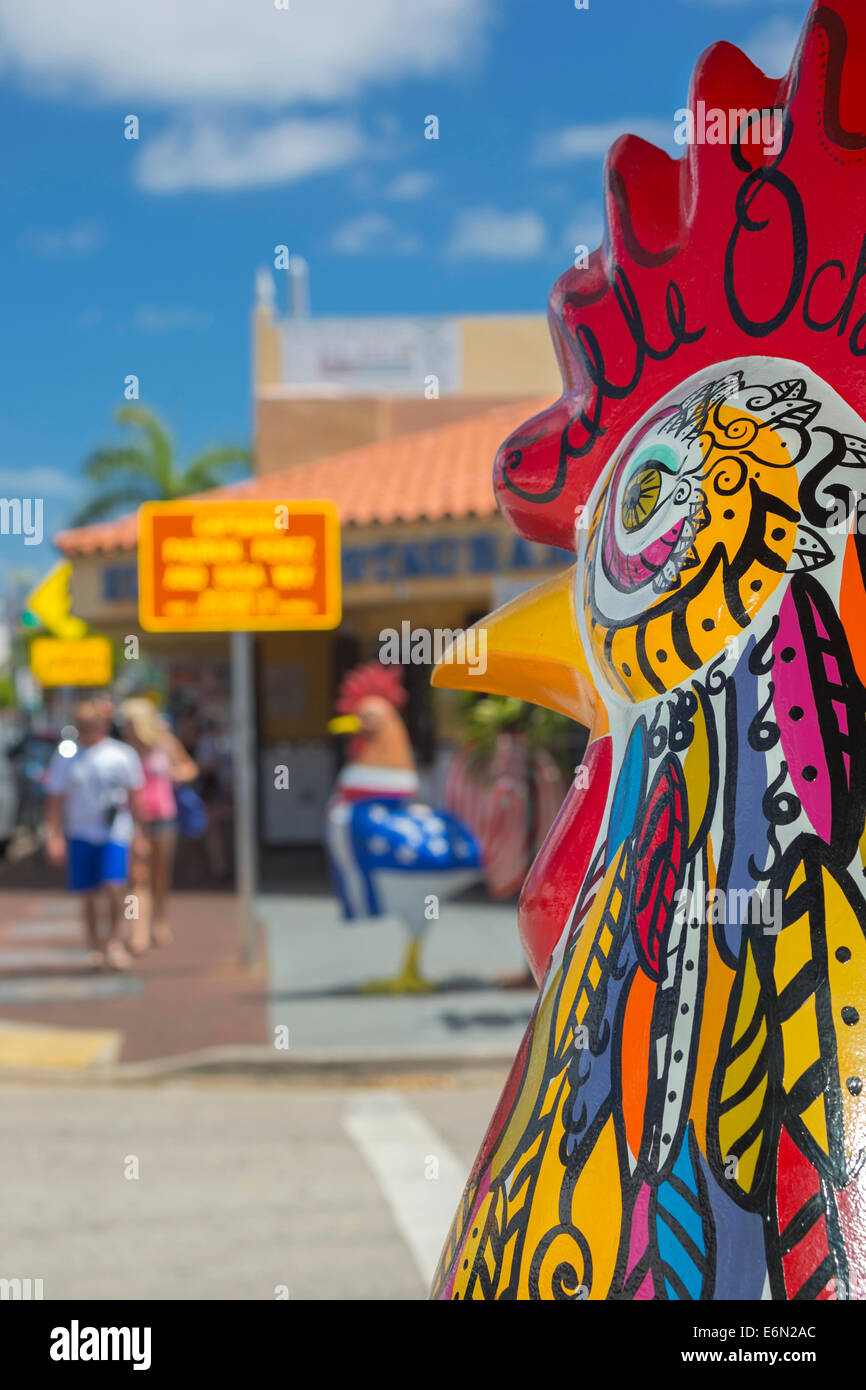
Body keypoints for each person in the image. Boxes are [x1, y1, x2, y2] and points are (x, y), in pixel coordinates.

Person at [44, 699, 147, 971]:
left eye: (92, 725)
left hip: (115, 831)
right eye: (82, 726)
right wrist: (54, 836)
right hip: (80, 832)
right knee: (88, 893)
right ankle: (94, 945)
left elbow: (136, 798)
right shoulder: (66, 757)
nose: (87, 730)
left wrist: (140, 835)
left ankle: (115, 941)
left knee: (115, 887)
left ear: (103, 725)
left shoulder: (122, 754)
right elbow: (55, 799)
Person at [117, 698, 198, 953]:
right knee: (136, 876)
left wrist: (176, 775)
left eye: (129, 721)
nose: (125, 726)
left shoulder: (165, 743)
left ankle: (159, 918)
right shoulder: (124, 749)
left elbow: (189, 767)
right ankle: (137, 930)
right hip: (132, 819)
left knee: (160, 874)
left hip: (162, 816)